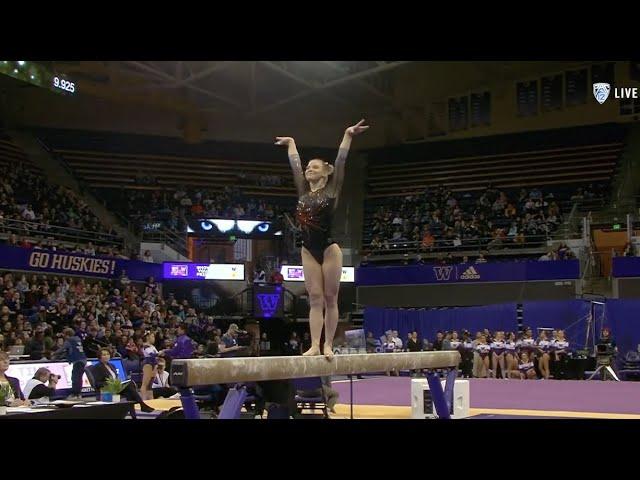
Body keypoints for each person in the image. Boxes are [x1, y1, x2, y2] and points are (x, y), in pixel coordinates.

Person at [276, 118, 369, 359]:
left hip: (329, 248)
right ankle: (314, 345)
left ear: (324, 174)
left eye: (314, 167)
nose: (308, 169)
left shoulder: (332, 191)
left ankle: (328, 344)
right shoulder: (303, 191)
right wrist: (291, 144)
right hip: (308, 249)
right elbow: (295, 167)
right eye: (308, 167)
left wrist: (348, 135)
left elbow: (340, 161)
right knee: (315, 298)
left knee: (330, 297)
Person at [90, 348, 154, 412]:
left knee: (130, 391)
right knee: (129, 387)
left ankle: (138, 409)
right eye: (104, 355)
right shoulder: (97, 367)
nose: (106, 356)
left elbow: (116, 378)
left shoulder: (112, 365)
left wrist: (117, 383)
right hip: (106, 391)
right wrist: (110, 383)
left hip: (116, 389)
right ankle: (142, 405)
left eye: (107, 354)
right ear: (100, 356)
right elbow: (97, 384)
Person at [53, 327, 87, 400]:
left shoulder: (69, 340)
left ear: (67, 335)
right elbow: (70, 350)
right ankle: (78, 394)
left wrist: (54, 353)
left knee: (75, 377)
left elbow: (62, 349)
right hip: (83, 359)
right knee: (79, 377)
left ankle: (74, 394)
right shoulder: (78, 339)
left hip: (77, 360)